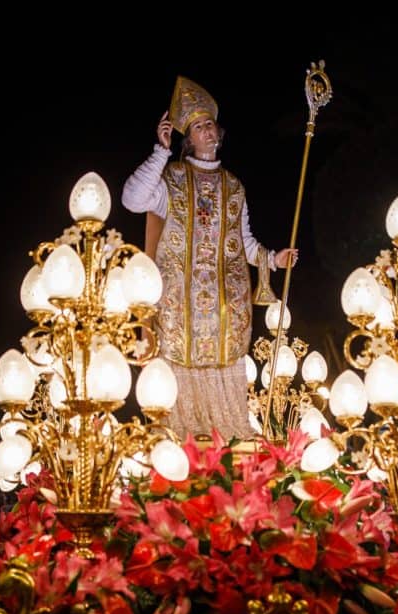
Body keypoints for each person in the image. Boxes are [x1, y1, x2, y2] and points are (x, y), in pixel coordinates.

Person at [122, 76, 296, 438]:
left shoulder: (233, 186)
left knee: (222, 362)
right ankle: (180, 437)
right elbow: (133, 200)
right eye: (199, 126)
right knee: (177, 360)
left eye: (210, 124)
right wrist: (160, 151)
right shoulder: (172, 178)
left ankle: (226, 436)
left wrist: (273, 260)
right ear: (190, 137)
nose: (207, 130)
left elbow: (244, 243)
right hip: (177, 301)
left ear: (220, 132)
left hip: (223, 301)